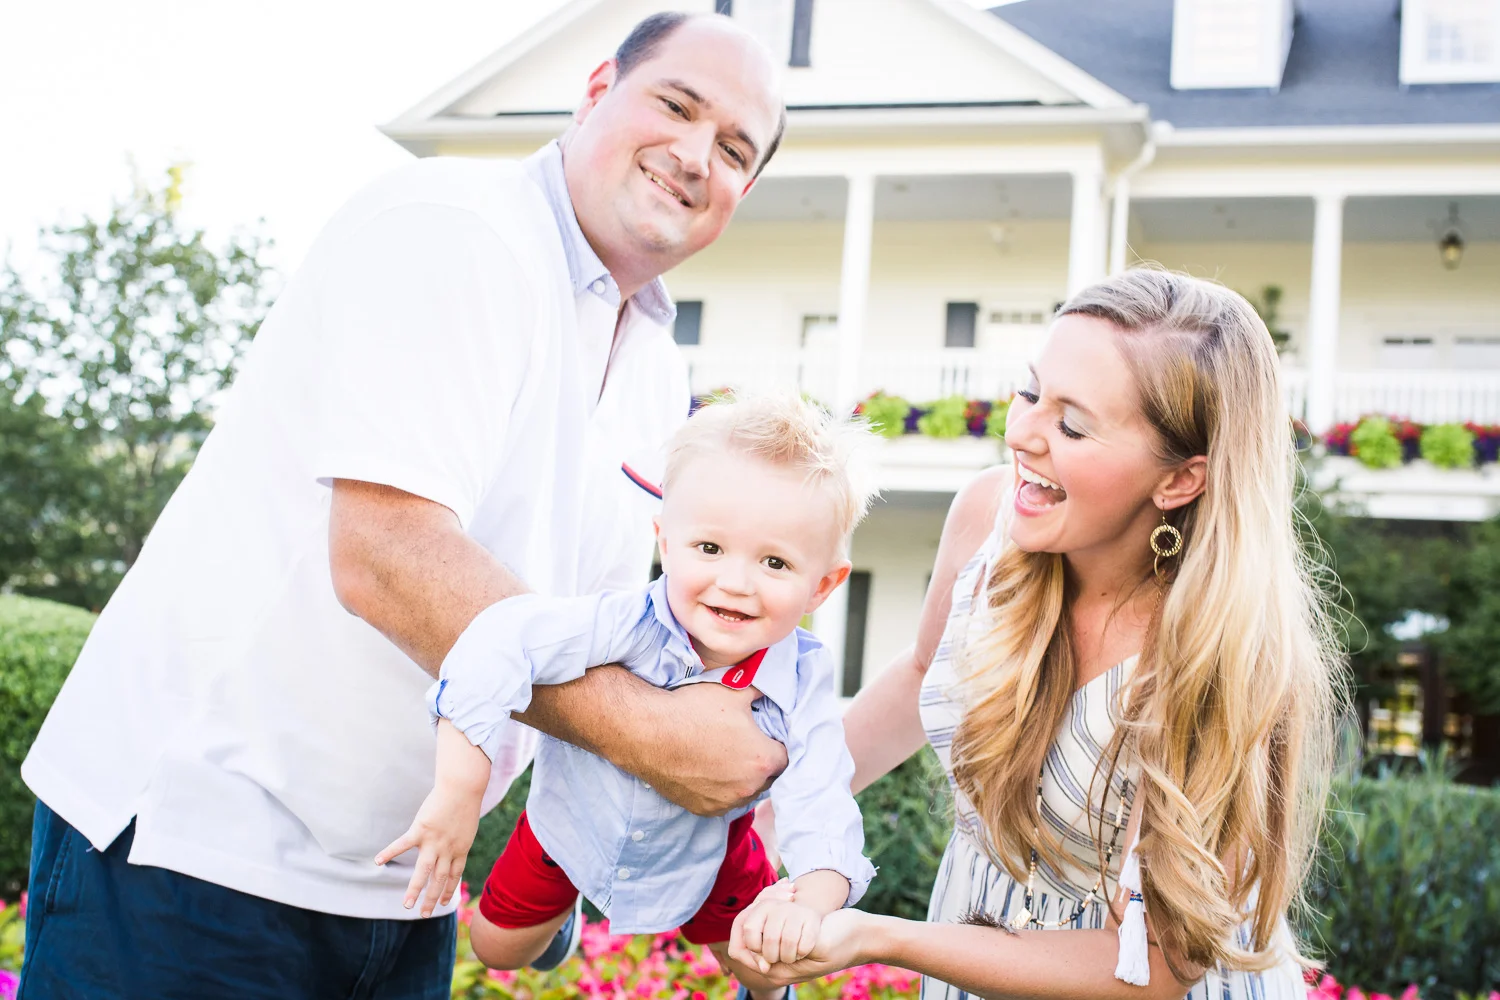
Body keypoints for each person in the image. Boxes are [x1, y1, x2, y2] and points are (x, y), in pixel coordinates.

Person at [20, 12, 787, 999]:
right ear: (597, 89)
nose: (694, 154)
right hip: (192, 856)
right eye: (676, 105)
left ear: (746, 192)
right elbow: (386, 553)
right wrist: (660, 737)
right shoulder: (457, 227)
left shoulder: (656, 370)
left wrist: (698, 833)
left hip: (401, 893)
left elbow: (589, 643)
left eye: (733, 149)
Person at [730, 269, 1345, 999]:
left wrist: (878, 936)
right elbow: (921, 672)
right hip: (974, 944)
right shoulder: (987, 513)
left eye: (1072, 424)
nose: (1020, 433)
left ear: (1180, 479)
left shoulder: (1222, 653)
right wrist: (768, 824)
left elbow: (1151, 969)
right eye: (1030, 393)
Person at [378, 394, 879, 1000]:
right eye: (710, 549)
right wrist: (459, 788)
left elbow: (822, 797)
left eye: (774, 562)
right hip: (570, 824)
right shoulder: (623, 621)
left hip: (711, 846)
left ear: (823, 585)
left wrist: (811, 899)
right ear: (665, 541)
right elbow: (501, 640)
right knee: (497, 949)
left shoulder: (804, 677)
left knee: (763, 967)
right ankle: (561, 929)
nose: (735, 582)